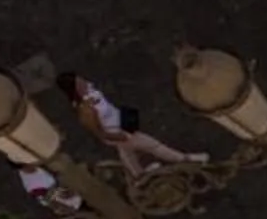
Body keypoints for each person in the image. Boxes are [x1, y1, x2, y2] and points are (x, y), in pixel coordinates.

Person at [58, 72, 205, 179]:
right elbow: (99, 133)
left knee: (127, 153)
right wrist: (119, 136)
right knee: (154, 145)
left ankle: (139, 175)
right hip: (119, 132)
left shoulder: (90, 91)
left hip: (123, 122)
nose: (84, 82)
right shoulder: (85, 110)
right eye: (79, 83)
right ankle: (185, 159)